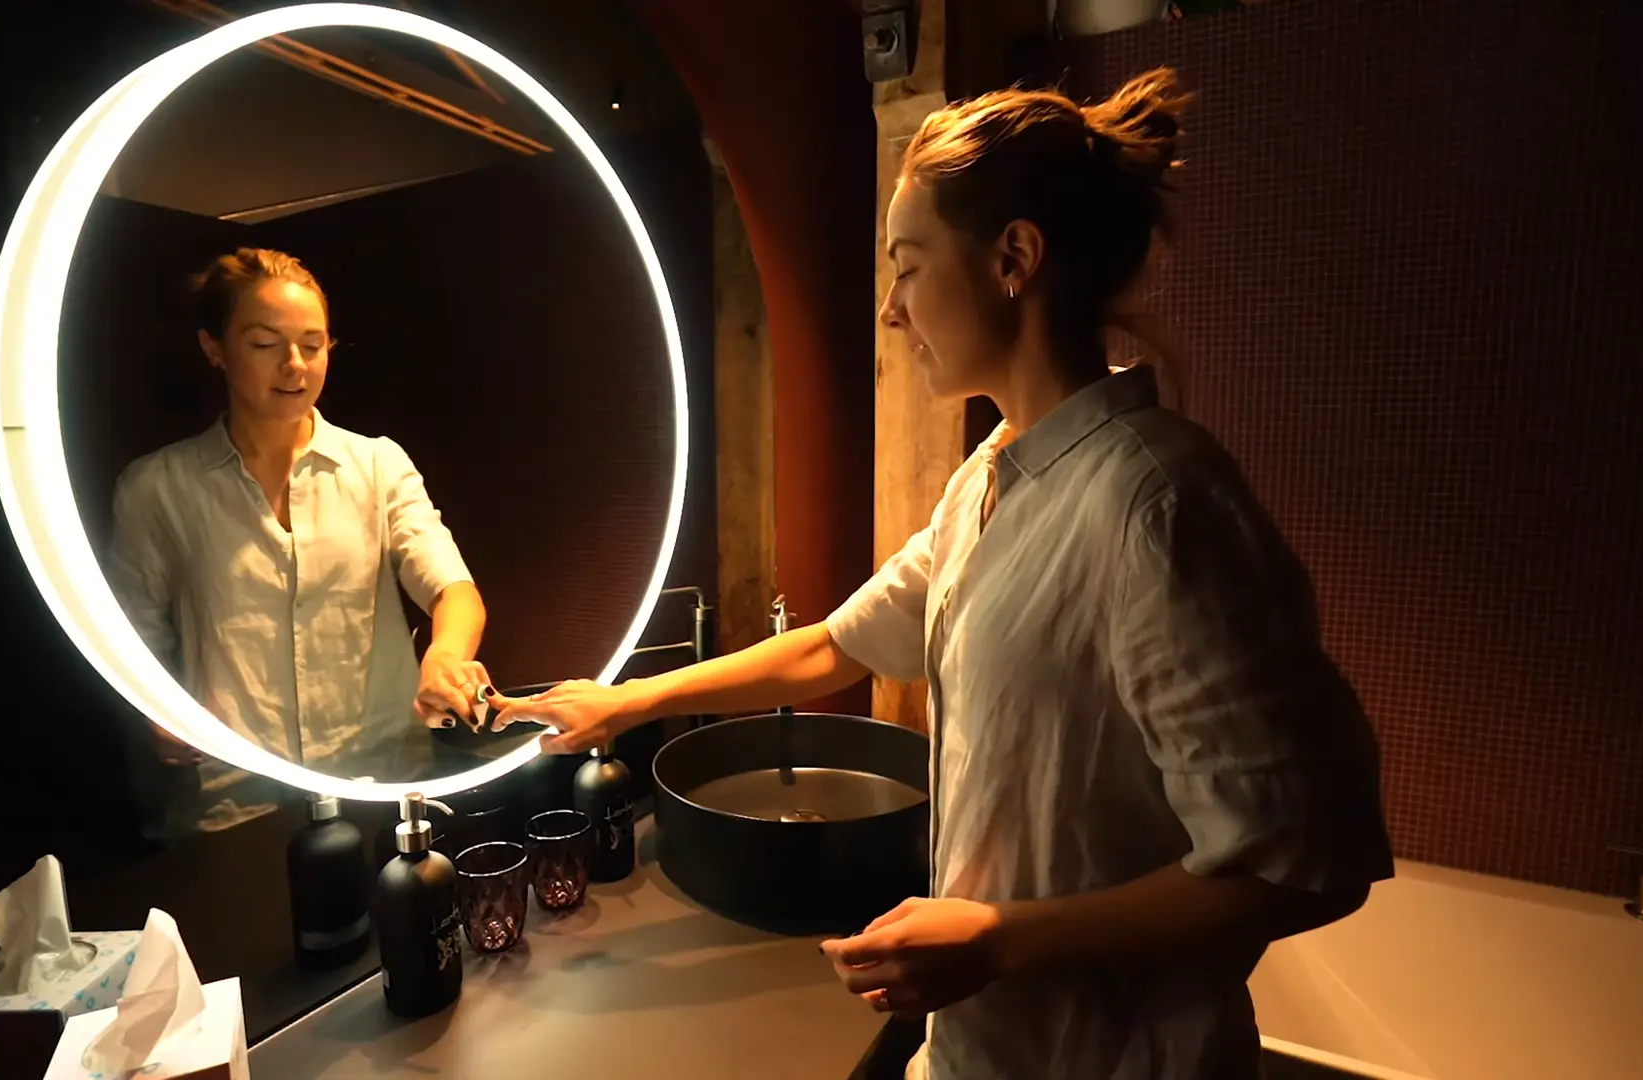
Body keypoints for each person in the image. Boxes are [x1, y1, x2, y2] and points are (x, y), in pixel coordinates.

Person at [489, 69, 1393, 1079]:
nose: (890, 311)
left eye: (909, 269)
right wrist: (624, 701)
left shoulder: (1157, 505)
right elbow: (833, 646)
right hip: (974, 1054)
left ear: (1013, 259)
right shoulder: (989, 480)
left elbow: (1304, 864)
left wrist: (1001, 940)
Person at [108, 248, 490, 836]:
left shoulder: (377, 465)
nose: (294, 365)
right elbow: (131, 643)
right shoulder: (157, 489)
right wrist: (156, 711)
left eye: (313, 345)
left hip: (385, 783)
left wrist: (445, 658)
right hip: (238, 801)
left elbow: (452, 589)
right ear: (215, 348)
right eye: (265, 344)